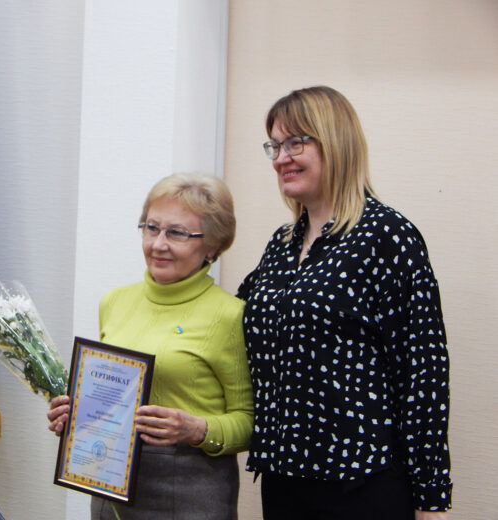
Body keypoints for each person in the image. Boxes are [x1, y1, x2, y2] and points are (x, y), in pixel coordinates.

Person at [237, 86, 452, 520]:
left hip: (359, 485)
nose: (281, 157)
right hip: (284, 481)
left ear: (336, 141)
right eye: (275, 145)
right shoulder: (281, 245)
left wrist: (431, 500)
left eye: (296, 142)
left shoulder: (387, 236)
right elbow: (226, 327)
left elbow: (423, 372)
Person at [48, 173, 253, 519]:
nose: (158, 244)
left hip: (190, 489)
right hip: (109, 482)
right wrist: (76, 416)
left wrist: (196, 429)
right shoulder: (114, 302)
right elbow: (113, 399)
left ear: (213, 245)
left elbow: (250, 423)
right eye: (151, 228)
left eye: (177, 233)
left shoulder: (231, 315)